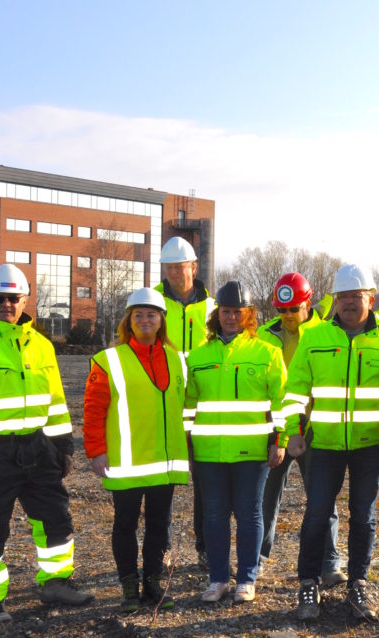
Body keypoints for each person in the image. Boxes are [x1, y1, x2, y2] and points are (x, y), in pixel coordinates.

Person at [0, 264, 94, 634]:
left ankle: (56, 583)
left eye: (13, 298)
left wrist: (63, 448)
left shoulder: (41, 345)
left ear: (25, 300)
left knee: (56, 519)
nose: (7, 304)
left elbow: (55, 401)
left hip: (39, 449)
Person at [284, 264, 379, 622]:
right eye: (343, 297)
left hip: (370, 445)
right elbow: (296, 391)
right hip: (323, 444)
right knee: (316, 514)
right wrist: (293, 431)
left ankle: (357, 583)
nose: (349, 303)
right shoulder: (316, 337)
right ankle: (308, 583)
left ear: (371, 298)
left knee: (364, 516)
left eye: (356, 296)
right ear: (334, 301)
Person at [83, 287, 189, 613]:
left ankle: (152, 584)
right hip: (126, 463)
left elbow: (186, 407)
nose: (145, 320)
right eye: (138, 315)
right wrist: (96, 452)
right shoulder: (109, 360)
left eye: (151, 315)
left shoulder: (178, 360)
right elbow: (93, 409)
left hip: (163, 464)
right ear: (129, 321)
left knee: (159, 526)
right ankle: (129, 585)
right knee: (125, 525)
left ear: (161, 321)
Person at [185, 281, 287, 604]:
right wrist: (187, 444)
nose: (231, 317)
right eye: (226, 311)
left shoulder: (268, 353)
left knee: (249, 513)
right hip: (209, 452)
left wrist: (279, 441)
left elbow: (282, 403)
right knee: (213, 516)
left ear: (248, 315)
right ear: (217, 315)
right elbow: (188, 405)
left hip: (252, 451)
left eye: (237, 312)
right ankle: (218, 579)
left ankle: (246, 578)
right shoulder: (198, 356)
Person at [257, 272, 344, 586]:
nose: (288, 316)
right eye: (282, 311)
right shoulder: (264, 335)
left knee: (323, 499)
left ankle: (330, 562)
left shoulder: (325, 332)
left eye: (294, 309)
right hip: (277, 430)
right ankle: (258, 559)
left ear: (307, 303)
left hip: (314, 429)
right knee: (265, 499)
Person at [154, 236, 216, 568]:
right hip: (165, 406)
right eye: (171, 268)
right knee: (163, 480)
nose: (177, 273)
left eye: (182, 267)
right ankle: (161, 548)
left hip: (204, 409)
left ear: (194, 267)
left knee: (206, 483)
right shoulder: (152, 303)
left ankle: (205, 547)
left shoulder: (213, 308)